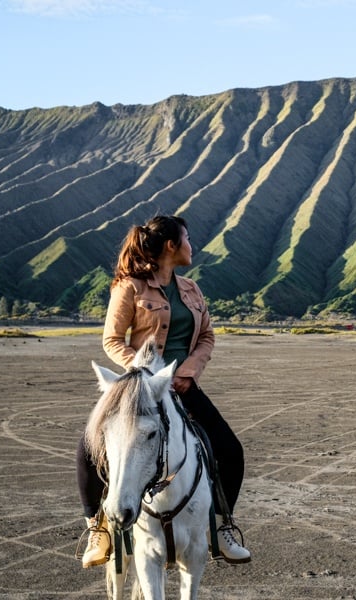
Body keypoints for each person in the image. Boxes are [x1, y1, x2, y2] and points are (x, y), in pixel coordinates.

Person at [76, 214, 251, 567]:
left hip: (183, 386)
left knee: (230, 451)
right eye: (187, 238)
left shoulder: (191, 289)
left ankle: (223, 527)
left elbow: (206, 337)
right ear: (172, 245)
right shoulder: (130, 287)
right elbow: (112, 340)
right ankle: (98, 529)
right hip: (140, 388)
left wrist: (187, 371)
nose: (192, 246)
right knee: (89, 449)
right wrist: (144, 374)